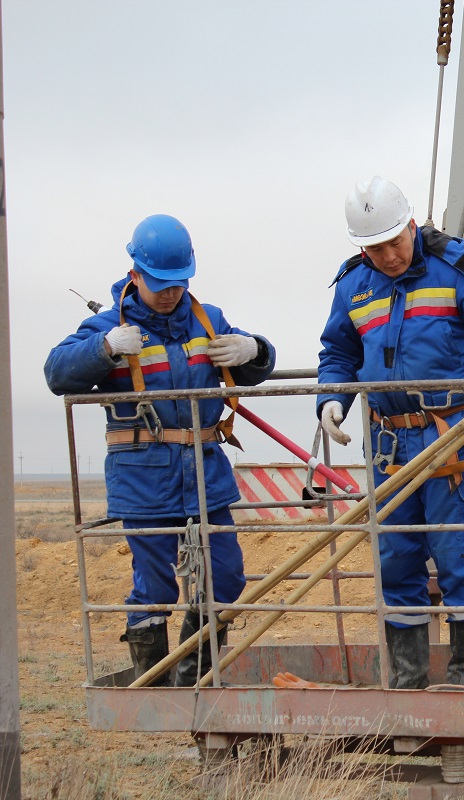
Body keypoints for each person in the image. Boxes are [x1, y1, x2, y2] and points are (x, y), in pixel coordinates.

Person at [318, 177, 464, 690]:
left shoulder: (455, 269)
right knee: (396, 559)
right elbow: (338, 351)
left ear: (410, 225)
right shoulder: (355, 285)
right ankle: (408, 684)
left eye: (394, 242)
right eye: (374, 249)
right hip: (388, 445)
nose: (388, 256)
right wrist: (332, 397)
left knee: (457, 557)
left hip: (452, 440)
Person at [45, 214, 276, 686]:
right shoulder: (107, 326)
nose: (170, 293)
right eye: (159, 284)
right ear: (135, 275)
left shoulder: (208, 320)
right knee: (153, 584)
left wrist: (255, 350)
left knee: (226, 576)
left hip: (205, 473)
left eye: (178, 282)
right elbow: (56, 373)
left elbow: (250, 370)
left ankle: (195, 679)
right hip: (143, 476)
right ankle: (152, 688)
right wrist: (104, 349)